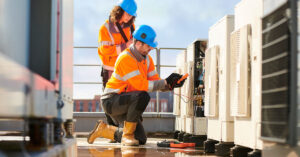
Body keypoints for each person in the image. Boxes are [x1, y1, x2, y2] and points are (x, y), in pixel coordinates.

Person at [88, 25, 186, 146]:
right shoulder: (126, 58)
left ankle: (104, 130)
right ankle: (127, 135)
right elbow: (140, 85)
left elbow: (155, 81)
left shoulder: (148, 59)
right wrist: (165, 82)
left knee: (140, 139)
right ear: (139, 43)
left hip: (127, 101)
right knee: (143, 96)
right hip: (111, 101)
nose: (151, 48)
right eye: (148, 45)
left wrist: (170, 84)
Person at [98, 0, 137, 131]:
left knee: (126, 98)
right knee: (108, 100)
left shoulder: (132, 27)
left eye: (131, 15)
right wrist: (125, 46)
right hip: (110, 70)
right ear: (119, 11)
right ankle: (111, 131)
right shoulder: (105, 28)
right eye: (127, 14)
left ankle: (124, 131)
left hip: (125, 70)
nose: (129, 17)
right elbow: (105, 50)